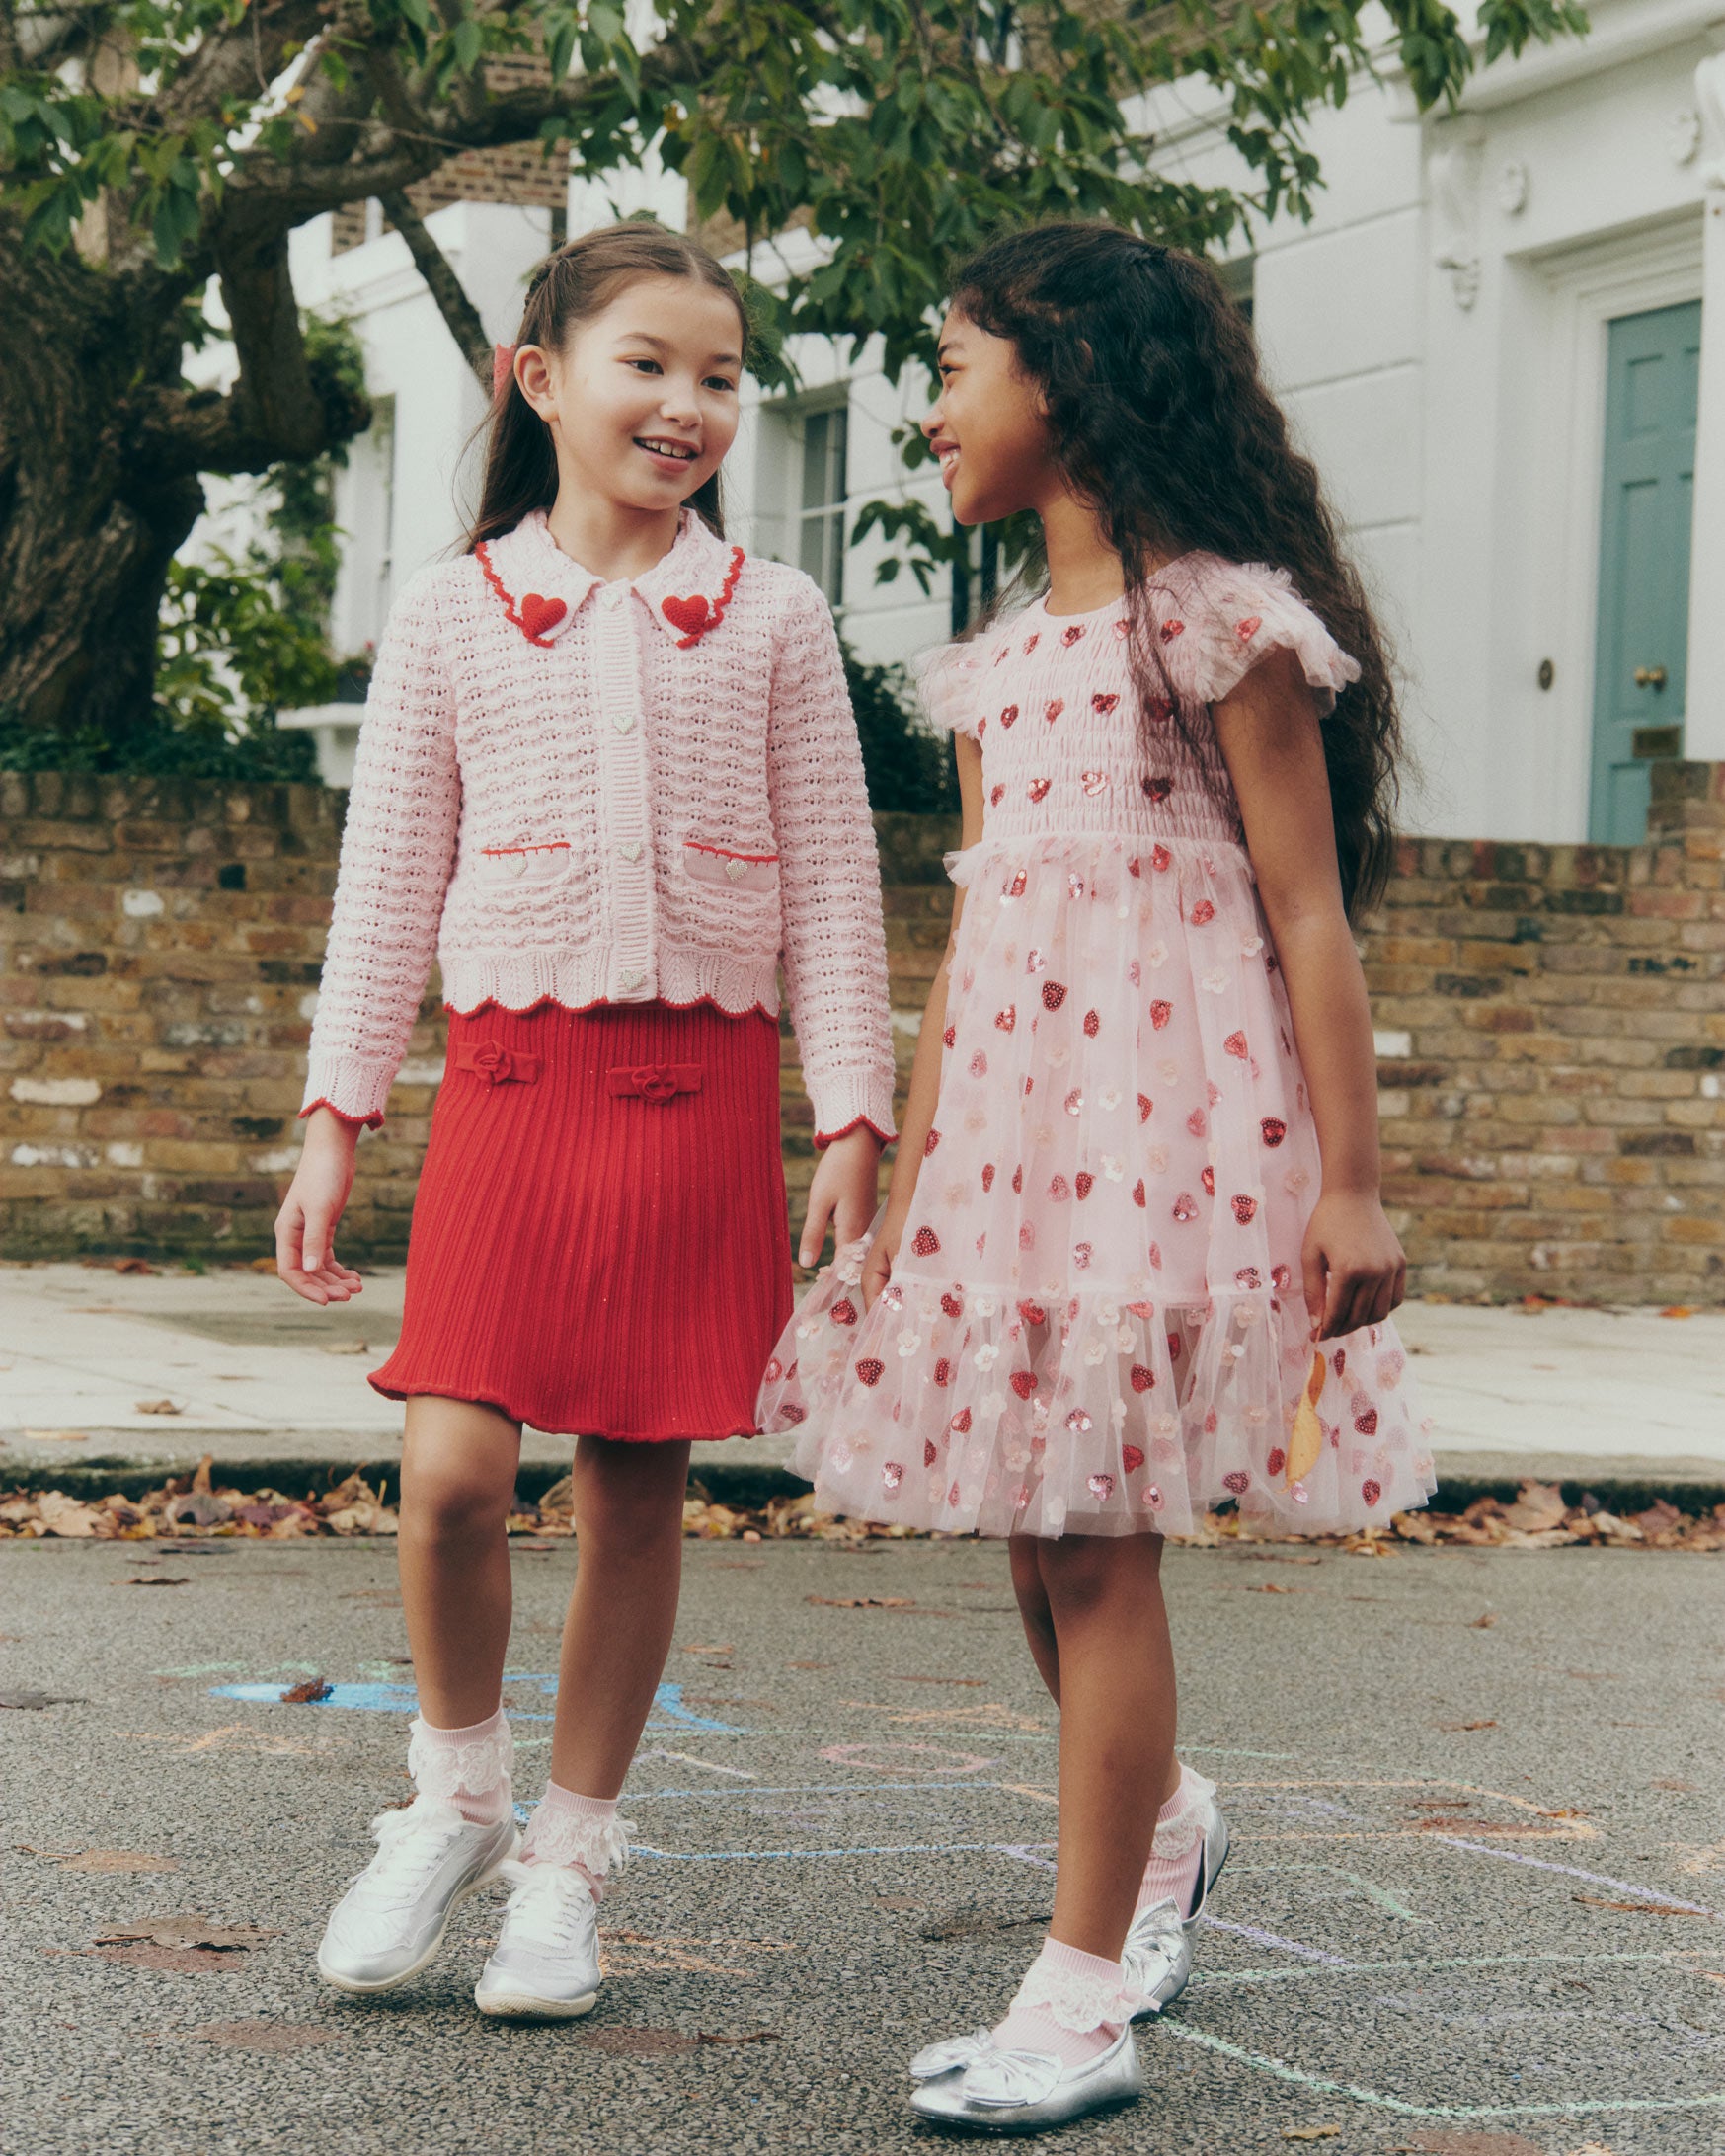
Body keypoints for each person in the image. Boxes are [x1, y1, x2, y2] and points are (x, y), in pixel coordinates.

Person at [760, 222, 1434, 2132]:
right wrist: (900, 1167)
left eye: (953, 366)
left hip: (1174, 1140)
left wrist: (1353, 1187)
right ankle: (1167, 1824)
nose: (928, 409)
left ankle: (1080, 1997)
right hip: (1017, 1146)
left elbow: (1310, 916)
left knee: (1097, 1534)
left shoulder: (1218, 620)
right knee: (1035, 1534)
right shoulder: (992, 675)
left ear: (1060, 378)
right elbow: (972, 943)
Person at [275, 221, 895, 2022]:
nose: (688, 405)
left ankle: (568, 1858)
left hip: (697, 1100)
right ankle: (452, 1796)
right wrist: (338, 1118)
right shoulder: (453, 613)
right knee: (455, 1477)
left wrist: (852, 1108)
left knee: (638, 1490)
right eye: (649, 364)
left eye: (720, 376)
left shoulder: (774, 614)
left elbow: (837, 888)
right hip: (511, 1093)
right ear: (539, 380)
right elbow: (385, 884)